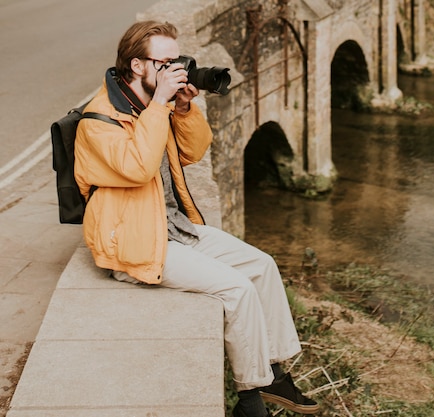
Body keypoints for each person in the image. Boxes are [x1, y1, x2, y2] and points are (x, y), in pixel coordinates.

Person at [74, 20, 319, 417]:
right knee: (237, 290)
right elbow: (137, 168)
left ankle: (274, 371)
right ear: (137, 66)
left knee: (262, 265)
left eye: (178, 61)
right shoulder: (99, 121)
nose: (177, 70)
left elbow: (194, 152)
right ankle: (250, 400)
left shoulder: (149, 106)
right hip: (132, 241)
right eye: (166, 62)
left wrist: (183, 107)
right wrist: (160, 106)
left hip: (170, 226)